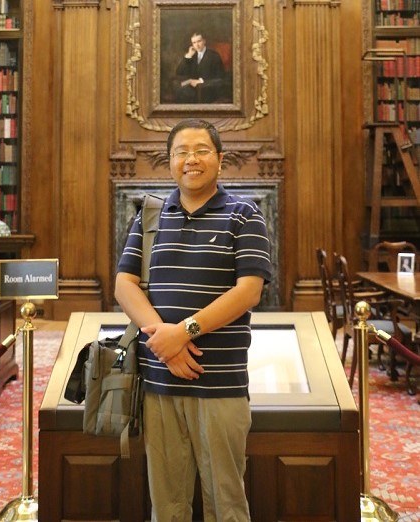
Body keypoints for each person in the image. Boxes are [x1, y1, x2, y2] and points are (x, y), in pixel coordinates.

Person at [115, 118, 273, 521]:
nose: (191, 159)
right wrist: (166, 343)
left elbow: (248, 291)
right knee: (167, 505)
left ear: (220, 158)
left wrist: (184, 332)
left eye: (201, 150)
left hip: (220, 385)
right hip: (159, 382)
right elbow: (124, 285)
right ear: (169, 161)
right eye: (181, 152)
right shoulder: (149, 216)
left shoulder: (245, 215)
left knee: (226, 503)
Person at [175, 32, 228, 104]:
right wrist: (188, 56)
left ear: (204, 41)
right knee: (180, 91)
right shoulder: (192, 55)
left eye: (199, 41)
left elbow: (220, 77)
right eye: (194, 43)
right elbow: (179, 72)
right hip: (194, 89)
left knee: (188, 94)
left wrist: (201, 81)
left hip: (208, 88)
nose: (197, 45)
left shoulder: (214, 55)